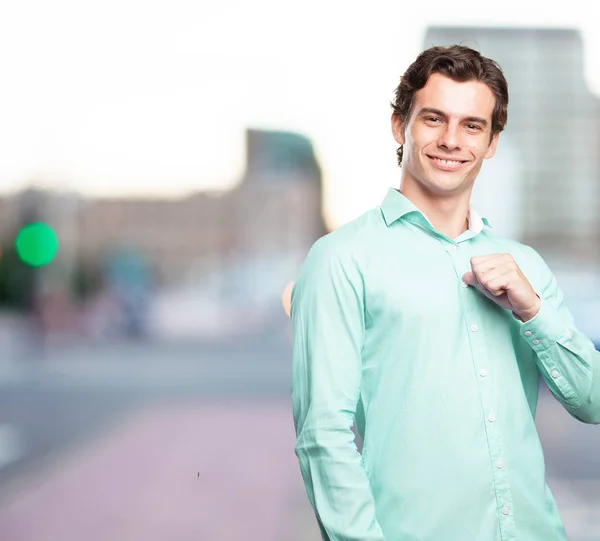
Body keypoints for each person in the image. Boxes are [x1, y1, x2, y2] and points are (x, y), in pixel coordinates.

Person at [288, 45, 600, 541]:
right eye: (434, 119)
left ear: (492, 141)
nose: (452, 140)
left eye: (473, 125)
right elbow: (323, 436)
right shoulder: (341, 259)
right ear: (400, 126)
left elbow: (592, 401)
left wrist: (533, 310)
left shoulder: (527, 267)